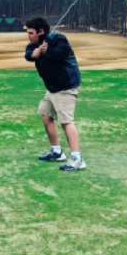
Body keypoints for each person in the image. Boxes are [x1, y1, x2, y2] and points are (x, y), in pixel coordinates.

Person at [24, 17, 86, 171]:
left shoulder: (58, 39)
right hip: (52, 88)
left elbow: (61, 54)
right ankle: (56, 151)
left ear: (41, 32)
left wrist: (47, 51)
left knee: (66, 121)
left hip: (66, 86)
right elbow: (28, 54)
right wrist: (35, 54)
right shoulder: (34, 44)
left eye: (31, 33)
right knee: (46, 115)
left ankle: (77, 159)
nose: (28, 35)